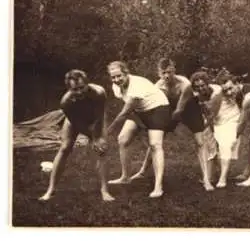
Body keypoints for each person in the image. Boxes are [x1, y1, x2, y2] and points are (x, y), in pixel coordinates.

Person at [130, 58, 216, 191]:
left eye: (169, 72)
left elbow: (180, 109)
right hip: (170, 109)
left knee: (200, 141)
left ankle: (206, 180)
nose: (167, 75)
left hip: (188, 108)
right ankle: (142, 171)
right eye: (163, 72)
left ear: (174, 70)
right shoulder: (158, 86)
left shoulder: (184, 83)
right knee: (156, 140)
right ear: (159, 73)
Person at [39, 69, 114, 202]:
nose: (79, 92)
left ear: (87, 84)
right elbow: (77, 124)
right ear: (69, 89)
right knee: (65, 148)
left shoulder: (99, 92)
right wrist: (91, 137)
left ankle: (104, 190)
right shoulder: (65, 102)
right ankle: (51, 190)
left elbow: (99, 117)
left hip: (95, 119)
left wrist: (97, 138)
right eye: (75, 89)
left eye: (81, 87)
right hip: (76, 120)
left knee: (101, 150)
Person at [106, 61, 170, 198]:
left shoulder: (136, 85)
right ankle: (125, 177)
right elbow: (131, 110)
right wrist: (140, 125)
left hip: (158, 108)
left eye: (119, 76)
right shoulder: (116, 87)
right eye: (113, 77)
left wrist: (107, 132)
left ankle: (158, 187)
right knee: (122, 139)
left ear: (126, 73)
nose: (116, 80)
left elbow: (124, 113)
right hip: (140, 109)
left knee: (155, 145)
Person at [189, 70, 224, 190]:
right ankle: (210, 176)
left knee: (219, 143)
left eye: (203, 85)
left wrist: (203, 127)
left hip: (222, 115)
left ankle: (220, 173)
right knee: (208, 144)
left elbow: (213, 114)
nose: (200, 88)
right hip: (208, 117)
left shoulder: (216, 91)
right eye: (197, 86)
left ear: (207, 83)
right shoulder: (195, 94)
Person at [212, 80, 242, 188]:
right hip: (217, 123)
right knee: (216, 148)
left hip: (232, 120)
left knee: (226, 145)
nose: (229, 92)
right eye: (225, 90)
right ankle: (221, 171)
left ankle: (222, 177)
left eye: (230, 88)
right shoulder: (215, 93)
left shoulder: (240, 92)